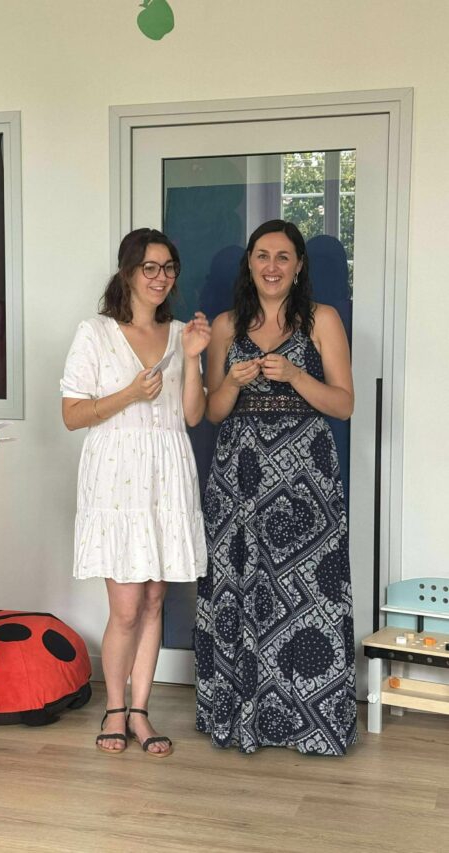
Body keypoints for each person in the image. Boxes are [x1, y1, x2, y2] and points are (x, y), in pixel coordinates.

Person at [195, 219, 357, 755]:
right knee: (239, 591)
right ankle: (241, 717)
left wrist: (293, 376)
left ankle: (308, 723)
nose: (271, 266)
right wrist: (232, 383)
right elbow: (214, 413)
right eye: (262, 255)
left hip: (306, 480)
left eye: (283, 257)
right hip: (238, 478)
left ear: (299, 266)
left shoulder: (321, 321)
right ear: (249, 263)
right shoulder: (224, 327)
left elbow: (344, 404)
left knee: (306, 597)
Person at [61, 228, 210, 757]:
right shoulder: (96, 332)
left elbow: (193, 415)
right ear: (127, 272)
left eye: (169, 268)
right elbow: (72, 415)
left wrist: (192, 357)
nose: (161, 277)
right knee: (125, 605)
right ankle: (114, 708)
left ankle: (141, 711)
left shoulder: (179, 334)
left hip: (168, 472)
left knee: (153, 599)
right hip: (116, 474)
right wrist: (129, 393)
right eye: (150, 267)